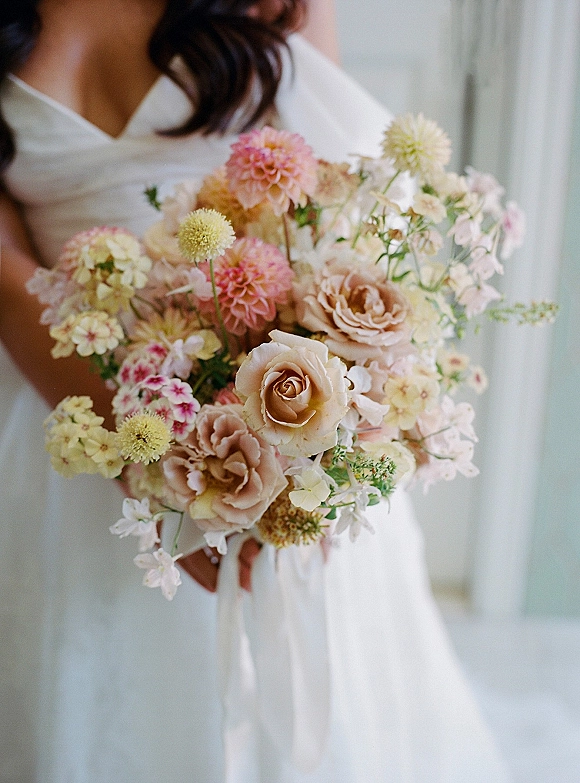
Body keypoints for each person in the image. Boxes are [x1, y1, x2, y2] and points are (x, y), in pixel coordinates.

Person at [0, 1, 512, 780]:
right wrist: (150, 464)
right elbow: (5, 277)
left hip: (281, 405)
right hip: (71, 408)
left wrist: (283, 450)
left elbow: (342, 205)